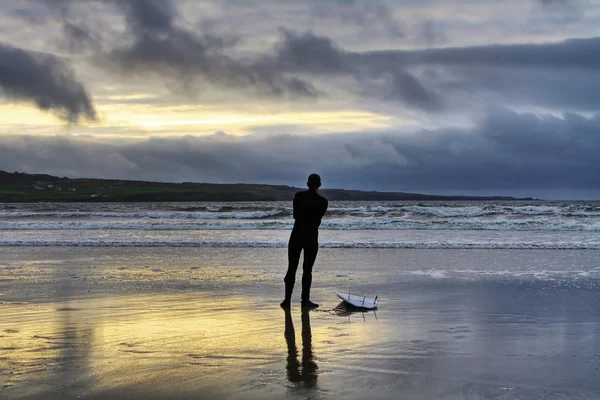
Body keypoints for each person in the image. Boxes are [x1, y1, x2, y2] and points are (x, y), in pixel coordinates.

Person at [280, 173, 328, 309]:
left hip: (297, 235)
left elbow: (296, 215)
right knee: (307, 270)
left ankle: (287, 300)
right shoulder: (323, 202)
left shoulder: (299, 197)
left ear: (307, 184)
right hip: (311, 237)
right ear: (320, 185)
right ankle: (305, 300)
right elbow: (317, 219)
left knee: (292, 268)